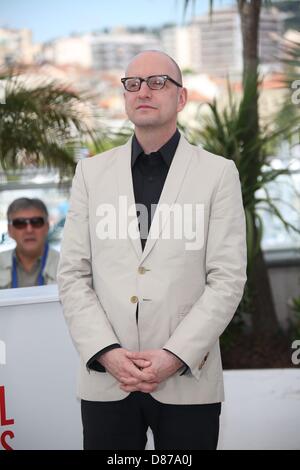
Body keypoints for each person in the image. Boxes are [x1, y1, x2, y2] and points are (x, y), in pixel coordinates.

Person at [57, 50, 247, 450]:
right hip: (107, 379)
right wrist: (107, 353)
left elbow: (227, 279)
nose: (144, 90)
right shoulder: (90, 174)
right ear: (125, 96)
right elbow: (73, 274)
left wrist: (174, 355)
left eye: (158, 82)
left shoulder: (218, 174)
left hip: (186, 379)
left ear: (181, 98)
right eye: (133, 84)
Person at [0, 198, 59, 289]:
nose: (29, 230)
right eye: (20, 223)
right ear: (10, 230)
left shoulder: (66, 266)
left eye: (36, 222)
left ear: (47, 227)